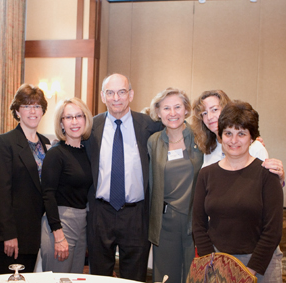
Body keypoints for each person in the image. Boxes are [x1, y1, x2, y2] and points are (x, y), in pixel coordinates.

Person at [84, 73, 163, 281]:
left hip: (135, 215)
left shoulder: (150, 126)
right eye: (110, 93)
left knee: (134, 277)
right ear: (103, 96)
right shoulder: (90, 128)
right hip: (101, 213)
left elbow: (179, 132)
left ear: (131, 94)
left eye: (121, 92)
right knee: (99, 277)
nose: (116, 98)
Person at [193, 101, 283, 282]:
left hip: (261, 263)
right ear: (220, 136)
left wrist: (248, 271)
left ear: (252, 137)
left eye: (241, 133)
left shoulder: (267, 174)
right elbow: (198, 224)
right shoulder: (206, 174)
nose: (234, 140)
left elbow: (273, 230)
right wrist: (211, 262)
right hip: (218, 262)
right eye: (228, 133)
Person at [0, 84, 50, 274]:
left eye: (37, 106)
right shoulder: (4, 142)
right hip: (12, 235)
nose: (33, 111)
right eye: (26, 106)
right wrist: (8, 234)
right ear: (17, 111)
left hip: (35, 233)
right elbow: (0, 193)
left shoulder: (46, 144)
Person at [147, 88, 203, 283]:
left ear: (186, 109)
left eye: (177, 107)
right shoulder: (153, 142)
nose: (172, 113)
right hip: (164, 221)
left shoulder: (200, 138)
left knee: (193, 274)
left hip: (194, 220)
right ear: (158, 112)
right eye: (166, 108)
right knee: (165, 275)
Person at [41, 97, 93, 273]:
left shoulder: (87, 153)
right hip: (61, 222)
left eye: (79, 116)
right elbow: (47, 194)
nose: (75, 121)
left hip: (81, 223)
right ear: (61, 123)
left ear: (86, 119)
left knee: (75, 277)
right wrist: (58, 234)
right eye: (68, 117)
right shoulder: (56, 154)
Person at [192, 90, 284, 180]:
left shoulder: (254, 147)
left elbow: (267, 183)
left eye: (214, 109)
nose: (209, 117)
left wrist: (280, 179)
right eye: (204, 113)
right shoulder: (209, 147)